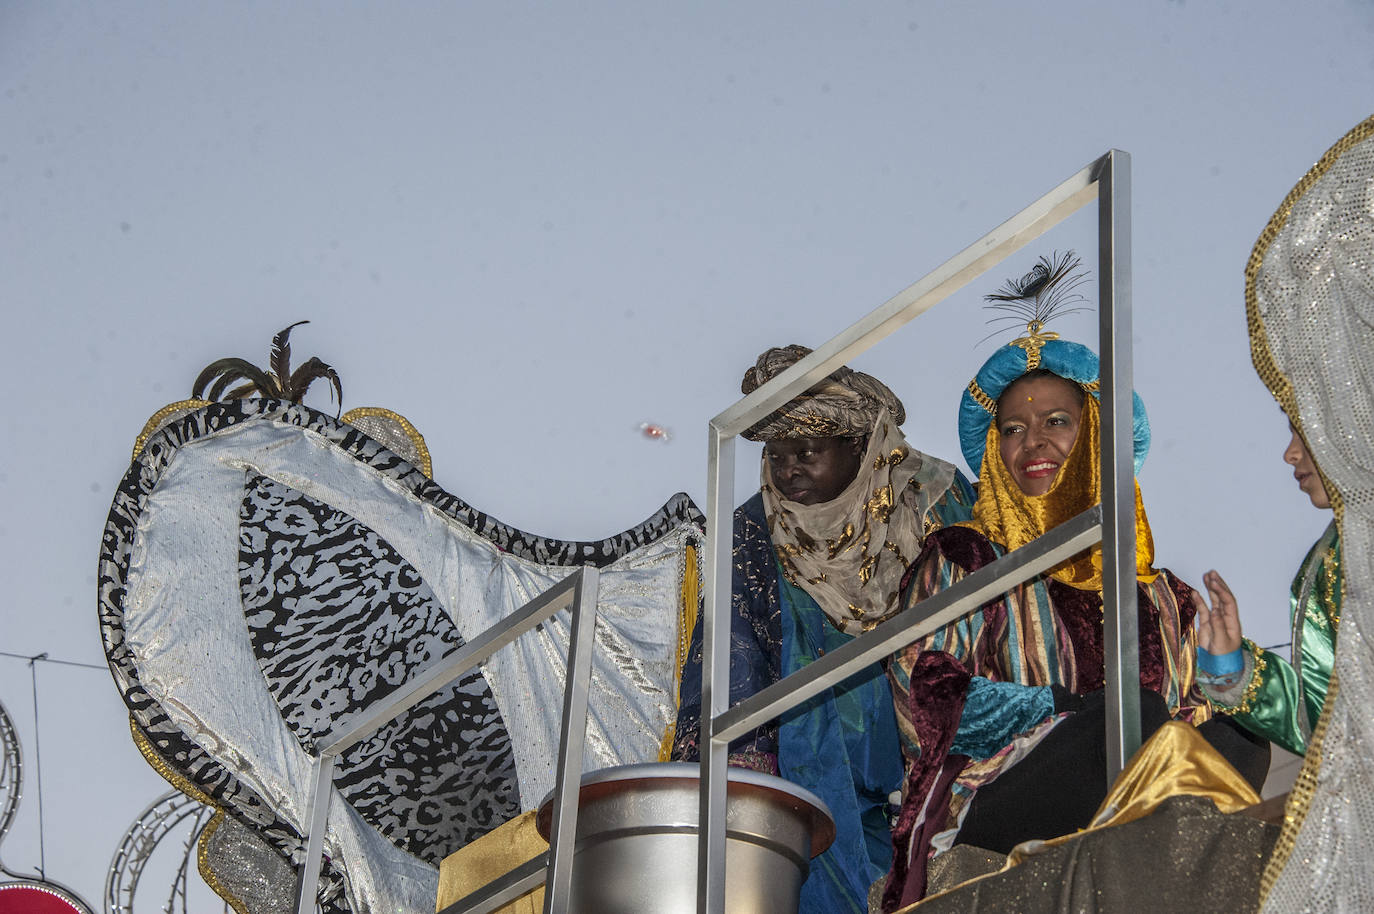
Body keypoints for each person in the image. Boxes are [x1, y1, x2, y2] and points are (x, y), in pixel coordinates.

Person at [883, 254, 1269, 911]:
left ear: (1094, 436)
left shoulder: (1167, 599)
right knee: (1127, 719)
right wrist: (1062, 712)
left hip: (1139, 793)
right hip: (1000, 796)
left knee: (1244, 738)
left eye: (1057, 421)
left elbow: (1190, 728)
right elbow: (923, 696)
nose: (1033, 441)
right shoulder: (963, 560)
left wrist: (1228, 681)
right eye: (1013, 428)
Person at [671, 344, 975, 914]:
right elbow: (729, 663)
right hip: (815, 779)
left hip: (943, 752)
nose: (789, 471)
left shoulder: (933, 500)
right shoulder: (751, 534)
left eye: (807, 451)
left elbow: (994, 625)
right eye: (777, 456)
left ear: (858, 447)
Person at [1194, 426, 1339, 757]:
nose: (1290, 453)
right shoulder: (1326, 560)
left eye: (1304, 430)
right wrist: (1231, 668)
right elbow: (1324, 732)